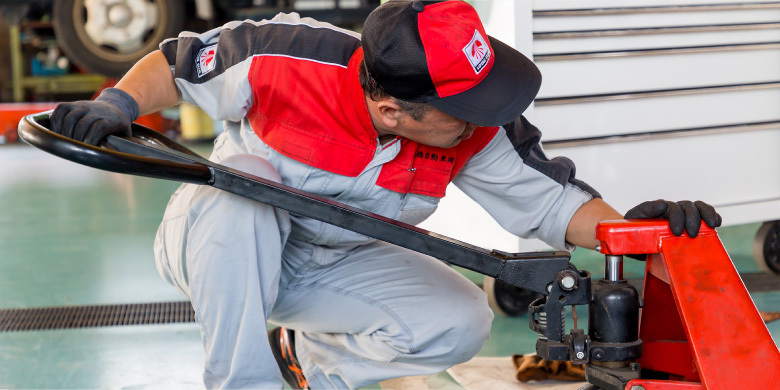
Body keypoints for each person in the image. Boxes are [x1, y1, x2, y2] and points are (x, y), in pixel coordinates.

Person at [49, 1, 721, 388]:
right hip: (224, 244)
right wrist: (117, 103)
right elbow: (176, 64)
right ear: (394, 108)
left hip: (339, 262)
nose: (486, 116)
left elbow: (552, 202)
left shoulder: (471, 125)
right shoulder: (286, 55)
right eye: (465, 105)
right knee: (245, 190)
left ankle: (305, 364)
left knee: (460, 322)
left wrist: (631, 230)